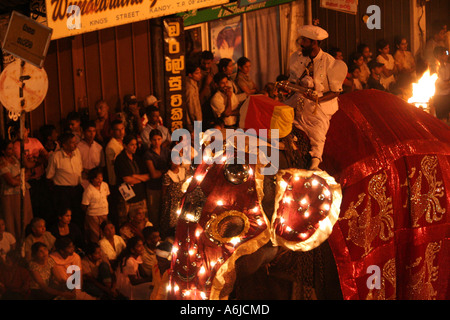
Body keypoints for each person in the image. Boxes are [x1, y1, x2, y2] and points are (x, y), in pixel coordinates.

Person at [285, 25, 347, 170]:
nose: (301, 44)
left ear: (314, 43)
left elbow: (336, 92)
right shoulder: (296, 58)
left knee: (318, 129)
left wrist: (316, 99)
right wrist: (287, 87)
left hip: (320, 104)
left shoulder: (330, 62)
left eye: (304, 41)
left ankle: (315, 160)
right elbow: (293, 82)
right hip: (298, 99)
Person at [46, 132, 84, 229]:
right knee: (64, 216)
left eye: (76, 142)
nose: (75, 145)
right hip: (63, 192)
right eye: (72, 143)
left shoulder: (77, 152)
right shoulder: (56, 156)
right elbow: (49, 175)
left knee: (78, 215)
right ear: (64, 144)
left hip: (77, 189)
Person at [0, 139, 33, 239]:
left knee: (25, 217)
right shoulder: (2, 163)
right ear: (3, 151)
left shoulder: (15, 159)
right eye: (9, 149)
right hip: (10, 195)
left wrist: (18, 177)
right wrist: (21, 177)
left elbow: (28, 173)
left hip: (22, 191)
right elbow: (11, 182)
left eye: (13, 148)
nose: (12, 151)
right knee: (13, 219)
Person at [114, 135, 150, 227]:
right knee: (126, 223)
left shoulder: (137, 158)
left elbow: (147, 176)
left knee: (142, 221)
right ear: (125, 146)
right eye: (132, 145)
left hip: (140, 195)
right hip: (127, 198)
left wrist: (134, 176)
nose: (135, 147)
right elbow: (127, 179)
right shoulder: (120, 159)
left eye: (135, 144)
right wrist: (139, 178)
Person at [144, 129, 170, 227]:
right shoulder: (148, 154)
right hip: (153, 187)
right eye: (154, 140)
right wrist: (165, 171)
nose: (157, 142)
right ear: (150, 140)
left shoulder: (166, 151)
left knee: (165, 211)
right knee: (154, 212)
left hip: (165, 186)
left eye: (159, 139)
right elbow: (153, 174)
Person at [82, 167, 110, 243]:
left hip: (104, 213)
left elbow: (106, 197)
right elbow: (84, 205)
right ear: (92, 179)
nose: (99, 180)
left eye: (101, 177)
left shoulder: (105, 185)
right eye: (97, 178)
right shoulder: (88, 191)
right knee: (96, 235)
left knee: (105, 233)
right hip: (93, 215)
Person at [160, 158, 186, 239]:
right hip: (172, 201)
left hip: (183, 199)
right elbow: (164, 190)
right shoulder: (167, 175)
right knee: (171, 220)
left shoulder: (183, 171)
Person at [433, 46, 450, 122]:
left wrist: (447, 82)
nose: (447, 55)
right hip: (439, 98)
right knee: (440, 121)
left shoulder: (448, 66)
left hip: (448, 96)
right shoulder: (434, 69)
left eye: (447, 53)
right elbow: (442, 86)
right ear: (439, 56)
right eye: (444, 54)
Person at [185, 62, 203, 132]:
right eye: (196, 73)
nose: (200, 75)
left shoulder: (194, 84)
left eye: (200, 73)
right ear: (190, 75)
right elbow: (191, 106)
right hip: (192, 122)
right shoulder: (190, 88)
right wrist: (196, 121)